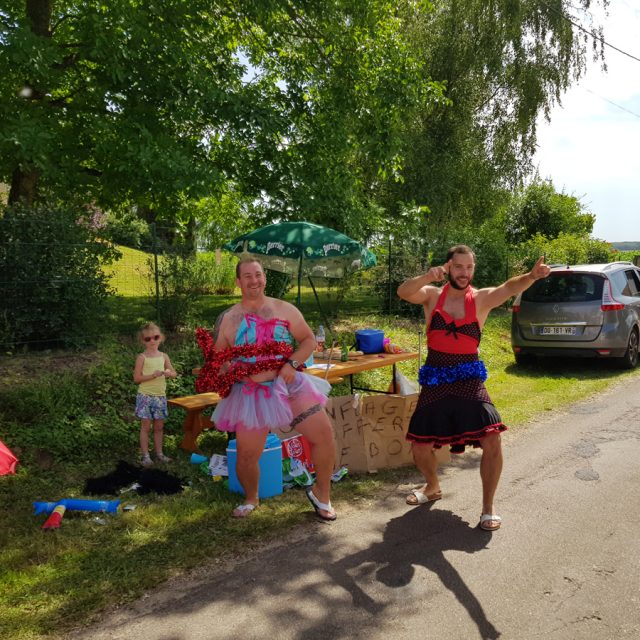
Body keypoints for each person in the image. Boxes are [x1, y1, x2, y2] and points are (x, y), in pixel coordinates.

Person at [397, 245, 550, 531]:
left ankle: (488, 508)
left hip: (468, 378)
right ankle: (432, 486)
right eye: (458, 267)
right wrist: (427, 276)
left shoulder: (480, 299)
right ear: (448, 267)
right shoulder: (432, 295)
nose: (464, 273)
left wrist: (531, 276)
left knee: (493, 438)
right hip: (436, 377)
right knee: (420, 446)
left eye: (469, 267)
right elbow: (404, 292)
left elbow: (508, 287)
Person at [210, 258, 337, 520]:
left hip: (289, 385)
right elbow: (218, 358)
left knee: (323, 435)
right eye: (247, 276)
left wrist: (292, 363)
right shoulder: (229, 319)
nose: (254, 280)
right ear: (238, 282)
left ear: (265, 278)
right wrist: (231, 371)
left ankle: (322, 495)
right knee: (246, 456)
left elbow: (308, 340)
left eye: (258, 274)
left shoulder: (284, 309)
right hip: (250, 394)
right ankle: (251, 498)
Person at [133, 322, 177, 467]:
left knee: (159, 427)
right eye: (148, 339)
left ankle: (159, 454)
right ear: (143, 341)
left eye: (155, 337)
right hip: (145, 396)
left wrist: (168, 373)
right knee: (146, 427)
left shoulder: (164, 356)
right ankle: (145, 456)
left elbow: (174, 373)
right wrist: (153, 375)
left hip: (160, 397)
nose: (152, 341)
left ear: (161, 338)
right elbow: (137, 378)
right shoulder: (142, 357)